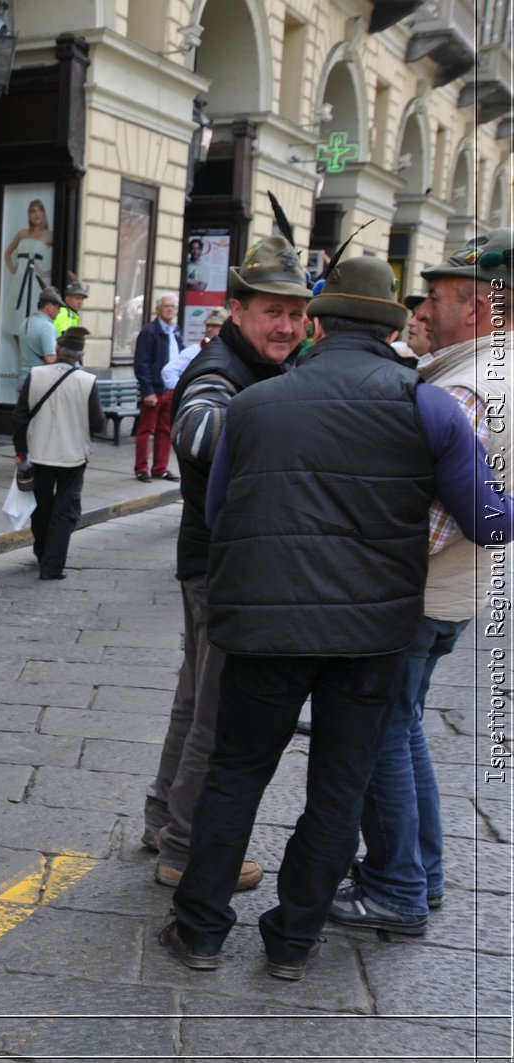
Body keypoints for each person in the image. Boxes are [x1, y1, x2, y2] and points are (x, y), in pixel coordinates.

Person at [162, 254, 510, 981]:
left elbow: (222, 512)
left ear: (317, 324)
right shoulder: (431, 404)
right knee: (340, 785)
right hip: (374, 633)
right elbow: (490, 519)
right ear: (388, 329)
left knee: (235, 774)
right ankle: (293, 939)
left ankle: (199, 930)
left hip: (265, 627)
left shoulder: (254, 406)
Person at [333, 229, 513, 936]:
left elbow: (432, 526)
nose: (424, 308)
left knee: (383, 734)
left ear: (478, 307)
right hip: (455, 594)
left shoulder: (471, 386)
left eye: (436, 297)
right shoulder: (490, 370)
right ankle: (421, 871)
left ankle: (398, 887)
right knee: (403, 729)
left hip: (418, 595)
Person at [143, 235, 309, 893]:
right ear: (237, 309)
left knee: (195, 698)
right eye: (274, 312)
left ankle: (164, 819)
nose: (288, 326)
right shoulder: (219, 369)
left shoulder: (257, 365)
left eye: (297, 314)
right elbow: (198, 429)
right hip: (221, 565)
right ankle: (185, 848)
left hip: (212, 559)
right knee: (217, 712)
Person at [12, 327, 104, 579]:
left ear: (59, 350)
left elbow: (20, 417)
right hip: (72, 456)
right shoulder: (87, 381)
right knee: (66, 510)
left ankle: (42, 552)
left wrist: (20, 451)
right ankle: (51, 566)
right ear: (80, 353)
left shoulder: (36, 374)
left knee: (41, 506)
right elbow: (98, 423)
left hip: (39, 453)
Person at [132, 292, 179, 482]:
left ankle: (161, 468)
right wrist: (148, 390)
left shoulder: (175, 330)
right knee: (145, 430)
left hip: (171, 388)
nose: (170, 309)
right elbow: (141, 363)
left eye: (173, 306)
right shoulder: (150, 331)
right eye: (166, 306)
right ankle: (141, 468)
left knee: (165, 430)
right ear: (158, 309)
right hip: (154, 390)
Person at [4, 198, 53, 327]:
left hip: (34, 280)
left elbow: (62, 256)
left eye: (39, 210)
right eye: (33, 211)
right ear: (29, 214)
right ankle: (20, 348)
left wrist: (44, 273)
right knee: (14, 317)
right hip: (19, 278)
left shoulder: (49, 235)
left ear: (43, 213)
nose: (36, 214)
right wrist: (13, 269)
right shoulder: (22, 234)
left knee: (33, 314)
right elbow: (7, 253)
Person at [163, 308, 224, 390]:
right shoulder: (196, 350)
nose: (209, 329)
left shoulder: (232, 350)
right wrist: (185, 391)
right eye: (208, 325)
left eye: (215, 326)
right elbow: (168, 371)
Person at [19, 286, 63, 370]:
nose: (59, 311)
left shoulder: (25, 323)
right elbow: (50, 359)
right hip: (40, 379)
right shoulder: (47, 327)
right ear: (50, 307)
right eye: (58, 307)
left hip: (24, 377)